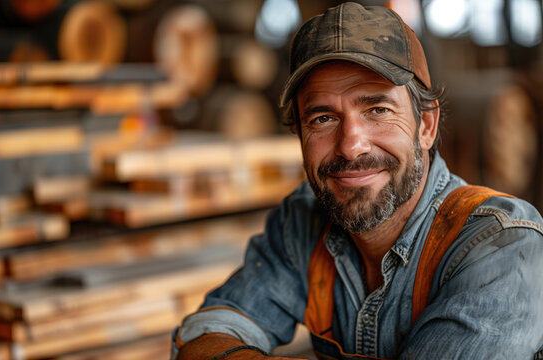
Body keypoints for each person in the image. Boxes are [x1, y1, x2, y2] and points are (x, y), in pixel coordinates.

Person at [171, 2, 543, 359]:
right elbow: (205, 333)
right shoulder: (302, 221)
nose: (350, 147)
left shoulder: (505, 247)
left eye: (377, 110)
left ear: (426, 126)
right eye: (322, 118)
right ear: (299, 136)